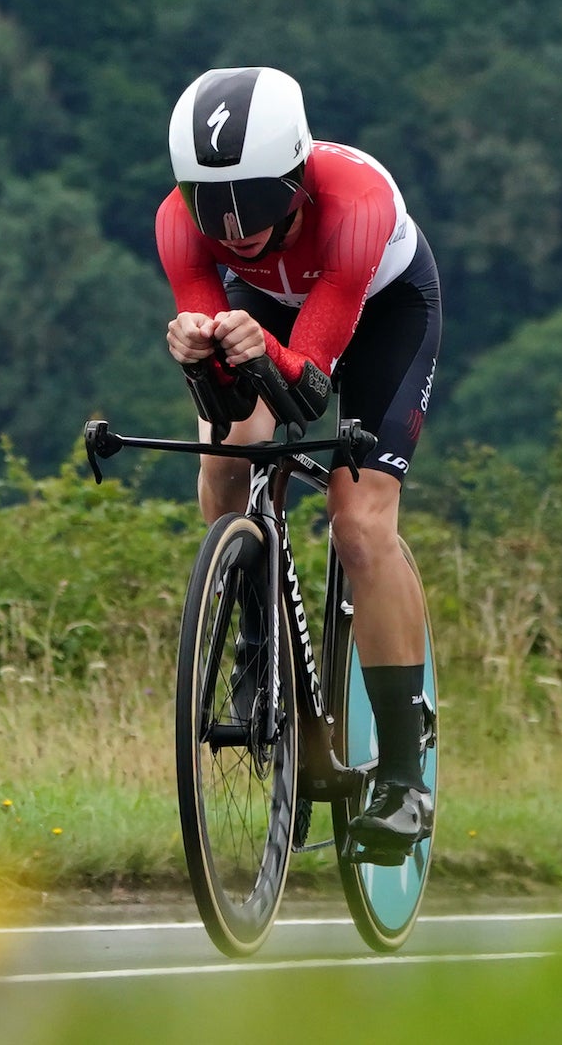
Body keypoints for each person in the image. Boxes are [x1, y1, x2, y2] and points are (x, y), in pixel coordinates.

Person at [155, 66, 441, 862]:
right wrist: (197, 352)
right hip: (272, 310)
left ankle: (404, 774)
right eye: (212, 206)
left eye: (253, 200)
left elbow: (309, 388)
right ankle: (256, 643)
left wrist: (259, 350)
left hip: (380, 310)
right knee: (226, 454)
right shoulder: (178, 222)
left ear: (294, 175)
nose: (234, 226)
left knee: (359, 524)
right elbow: (226, 401)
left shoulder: (355, 203)